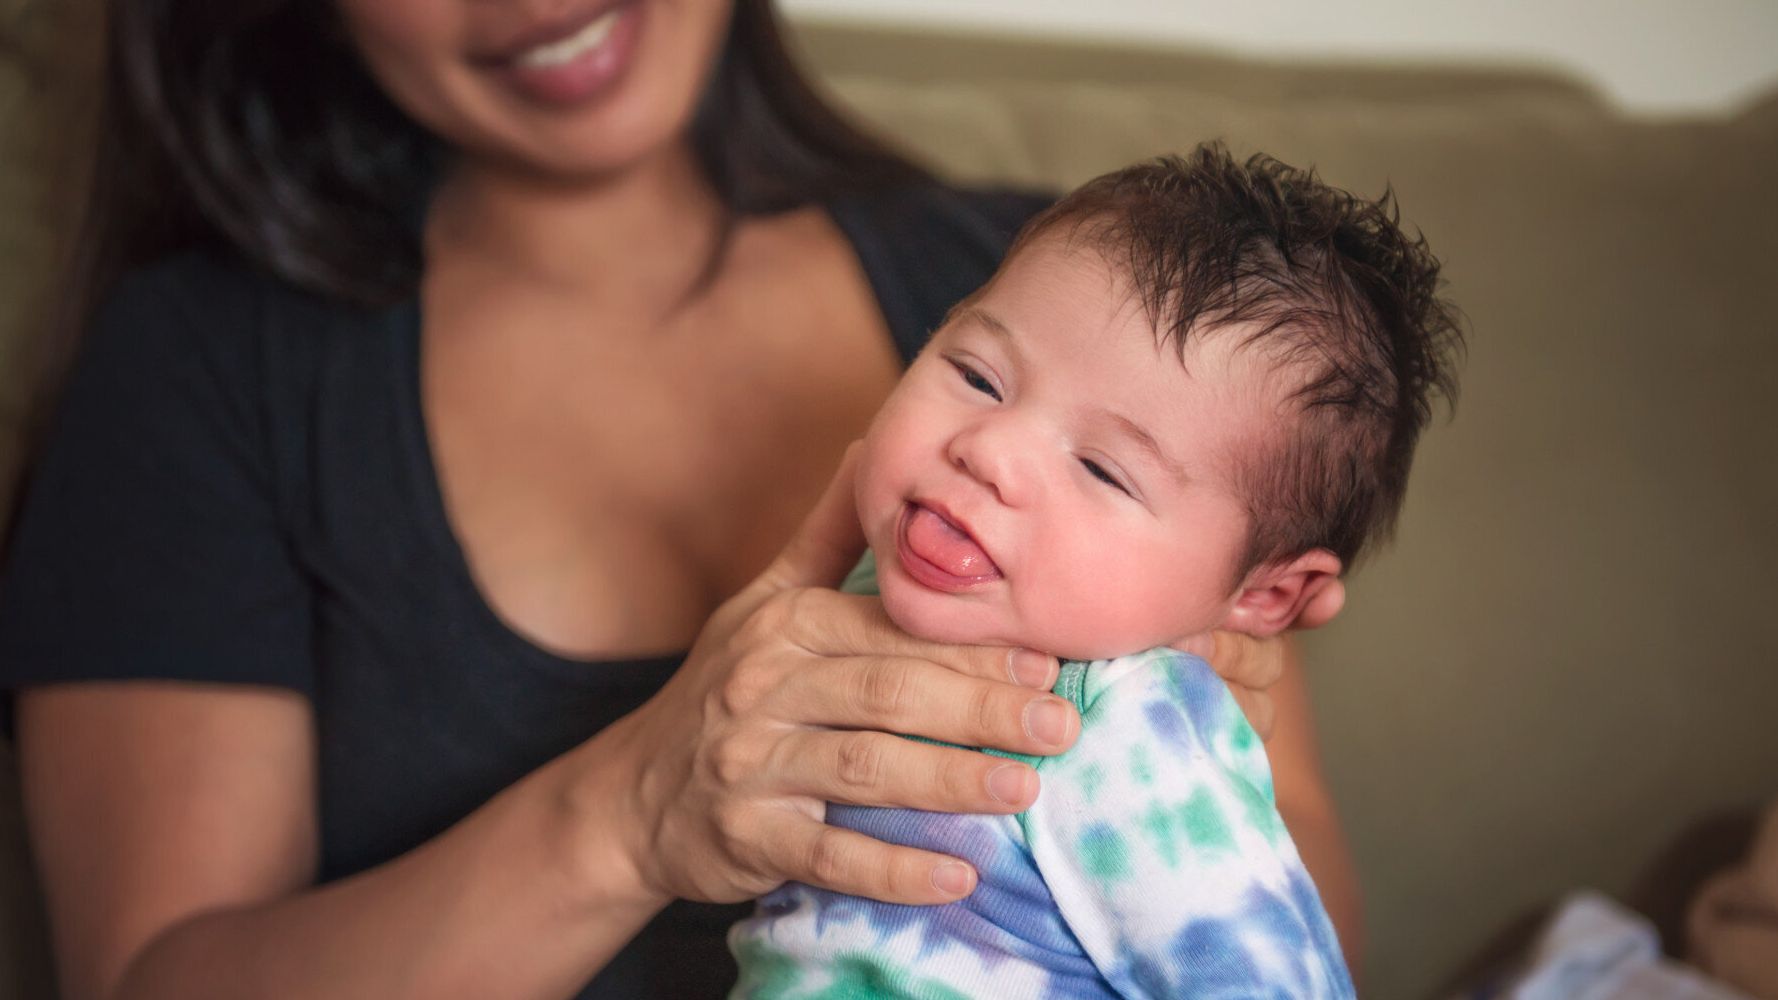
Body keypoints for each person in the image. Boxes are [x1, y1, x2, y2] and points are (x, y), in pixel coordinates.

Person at [0, 2, 1355, 998]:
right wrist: (629, 813)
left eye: (1100, 471)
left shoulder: (1084, 305)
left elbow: (1275, 913)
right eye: (972, 381)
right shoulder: (202, 368)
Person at [727, 146, 1462, 997]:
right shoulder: (847, 599)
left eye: (1104, 471)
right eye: (977, 376)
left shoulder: (1122, 728)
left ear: (1262, 594)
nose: (989, 449)